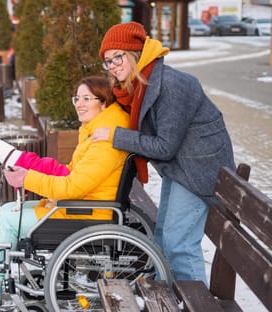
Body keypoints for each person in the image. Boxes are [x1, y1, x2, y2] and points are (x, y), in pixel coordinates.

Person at [0, 75, 130, 306]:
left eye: (87, 98)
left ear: (104, 102)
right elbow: (72, 175)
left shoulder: (104, 144)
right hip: (80, 207)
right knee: (7, 210)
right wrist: (32, 169)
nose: (79, 103)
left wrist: (28, 178)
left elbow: (72, 187)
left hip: (85, 214)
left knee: (8, 219)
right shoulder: (97, 133)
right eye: (77, 98)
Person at [93, 22, 235, 284]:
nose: (112, 66)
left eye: (117, 57)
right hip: (181, 167)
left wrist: (116, 137)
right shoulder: (138, 86)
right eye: (107, 61)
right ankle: (167, 296)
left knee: (179, 244)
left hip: (199, 171)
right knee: (162, 237)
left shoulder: (172, 85)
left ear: (135, 53)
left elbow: (164, 146)